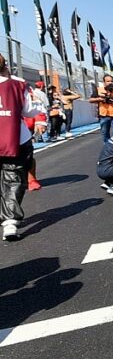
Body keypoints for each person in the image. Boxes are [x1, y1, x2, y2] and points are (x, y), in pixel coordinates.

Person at [0, 53, 46, 240]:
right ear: (6, 66)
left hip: (16, 140)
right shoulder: (17, 83)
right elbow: (29, 109)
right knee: (13, 180)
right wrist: (41, 110)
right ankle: (10, 223)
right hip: (15, 140)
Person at [89, 74, 113, 142]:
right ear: (104, 82)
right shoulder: (98, 90)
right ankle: (107, 147)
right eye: (108, 81)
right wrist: (101, 99)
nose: (110, 83)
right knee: (105, 133)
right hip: (104, 116)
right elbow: (91, 100)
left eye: (112, 81)